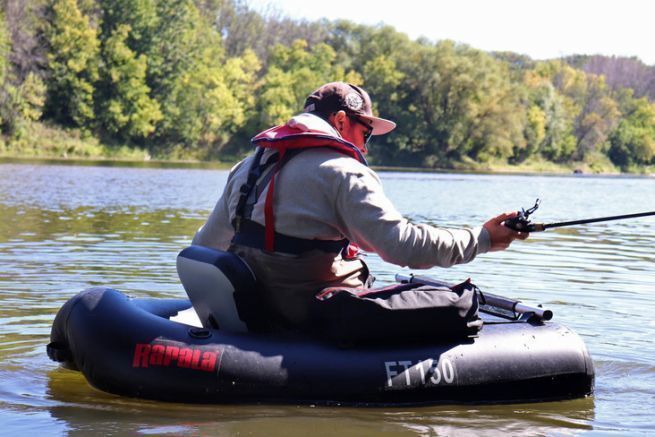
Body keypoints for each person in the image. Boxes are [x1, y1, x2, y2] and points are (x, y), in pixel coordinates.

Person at [192, 82, 528, 330]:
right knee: (455, 302)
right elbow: (404, 247)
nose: (367, 145)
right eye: (366, 132)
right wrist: (483, 238)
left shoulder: (248, 167)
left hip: (259, 310)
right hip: (312, 314)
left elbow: (206, 246)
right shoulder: (343, 173)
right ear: (340, 122)